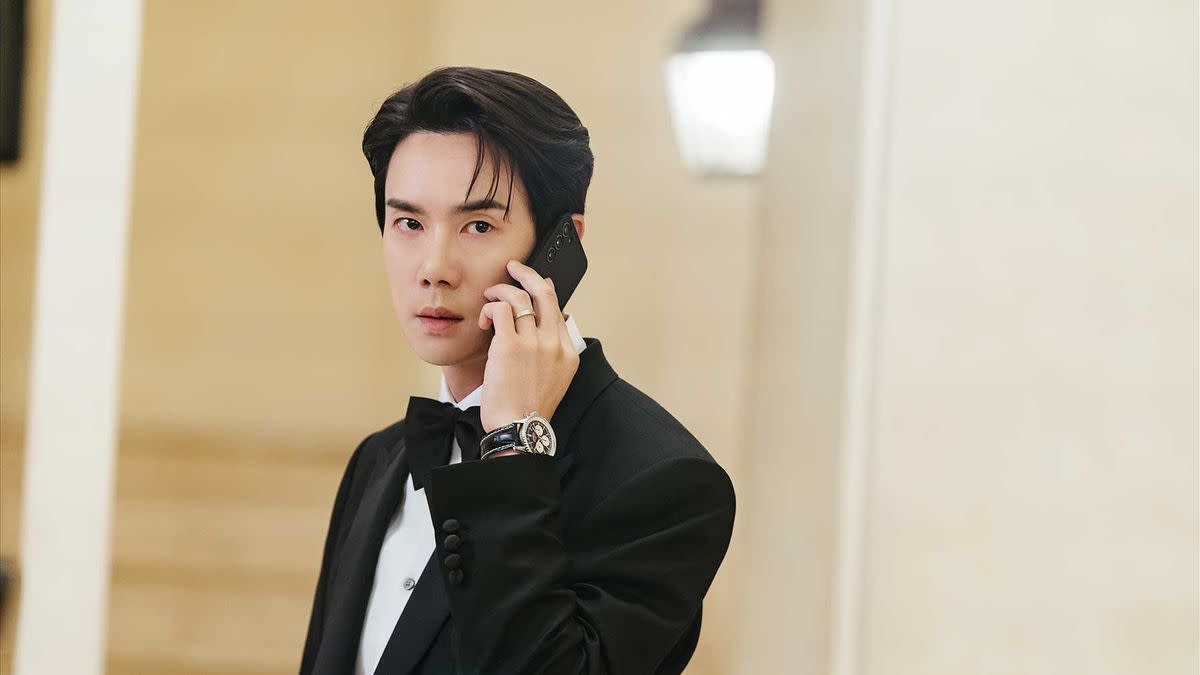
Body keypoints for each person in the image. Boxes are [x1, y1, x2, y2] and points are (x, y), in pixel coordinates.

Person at [299, 66, 736, 675]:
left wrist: (511, 447)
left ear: (562, 244)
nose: (434, 267)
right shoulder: (378, 460)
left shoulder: (666, 481)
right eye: (410, 224)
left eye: (478, 226)